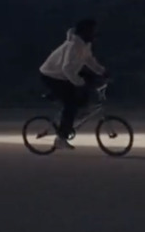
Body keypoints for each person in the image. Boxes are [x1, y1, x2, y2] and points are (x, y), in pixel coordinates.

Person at [39, 18, 106, 150]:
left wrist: (102, 71)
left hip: (64, 75)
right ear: (84, 32)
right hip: (51, 75)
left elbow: (89, 60)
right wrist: (79, 83)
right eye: (92, 30)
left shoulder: (85, 44)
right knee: (70, 104)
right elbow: (67, 68)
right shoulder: (73, 46)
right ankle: (61, 138)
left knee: (88, 82)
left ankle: (76, 111)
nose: (95, 33)